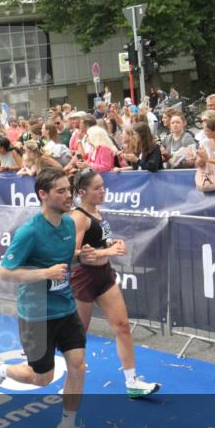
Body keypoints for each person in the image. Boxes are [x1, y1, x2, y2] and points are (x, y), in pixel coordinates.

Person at [0, 167, 97, 428]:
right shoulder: (29, 232)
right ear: (43, 195)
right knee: (42, 378)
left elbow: (63, 260)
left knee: (78, 365)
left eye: (68, 189)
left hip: (65, 307)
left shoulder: (70, 224)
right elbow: (5, 273)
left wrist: (82, 256)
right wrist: (44, 274)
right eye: (60, 191)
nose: (68, 195)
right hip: (36, 313)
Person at [70, 168, 160, 398]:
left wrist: (111, 243)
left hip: (104, 276)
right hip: (84, 279)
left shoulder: (97, 212)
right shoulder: (79, 217)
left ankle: (132, 382)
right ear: (82, 192)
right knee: (78, 336)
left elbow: (98, 241)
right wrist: (108, 250)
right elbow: (72, 253)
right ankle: (41, 366)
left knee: (122, 326)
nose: (103, 191)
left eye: (103, 186)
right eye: (97, 188)